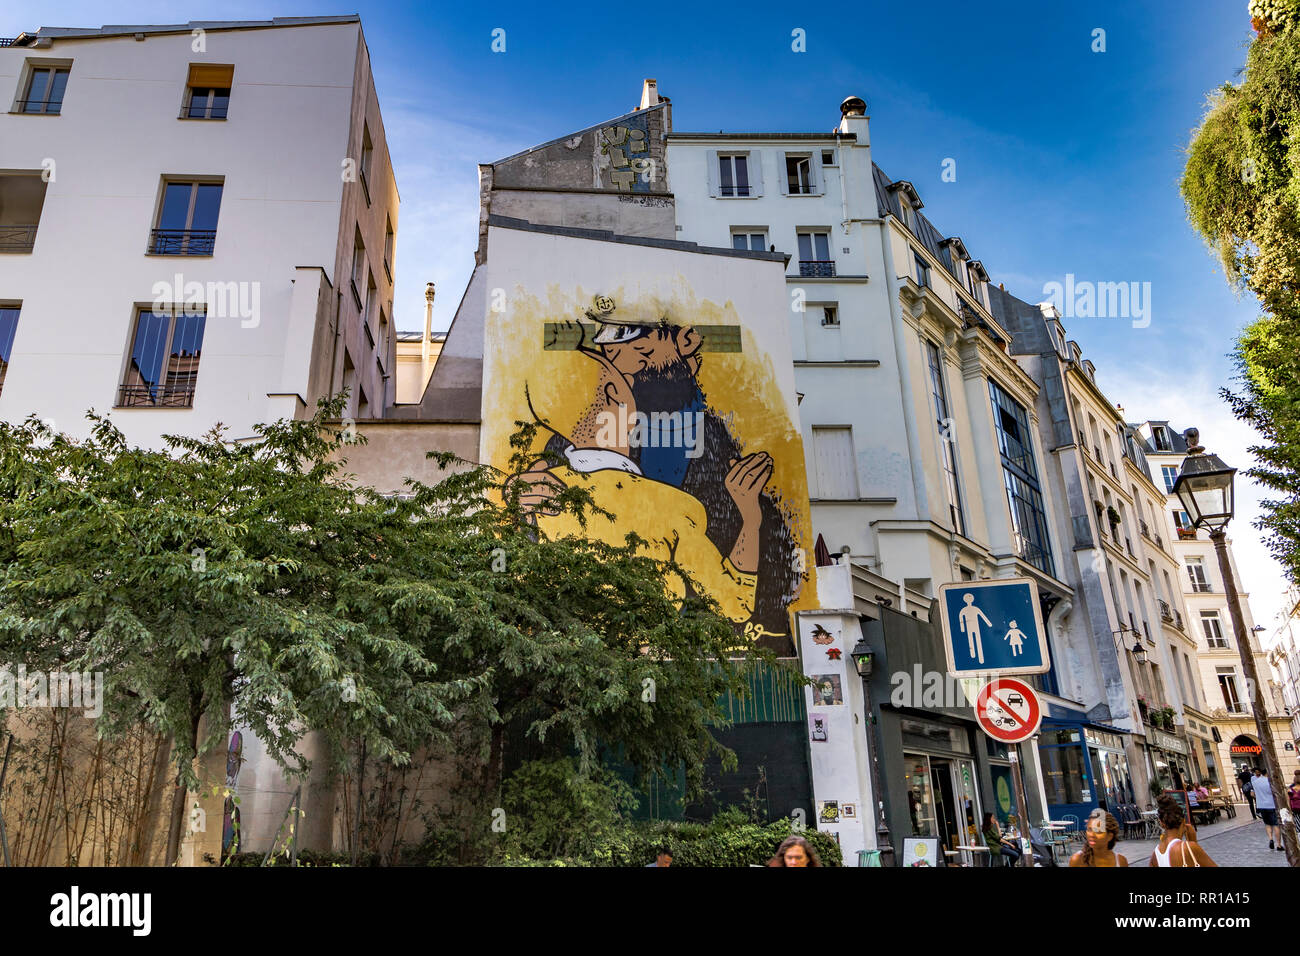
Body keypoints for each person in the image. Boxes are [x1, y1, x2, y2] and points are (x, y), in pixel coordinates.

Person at [1149, 793, 1217, 867]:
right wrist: (1193, 841)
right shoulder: (1189, 848)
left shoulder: (1155, 856)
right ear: (1183, 821)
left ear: (1161, 823)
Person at [1252, 768, 1284, 851]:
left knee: (1267, 824)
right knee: (1276, 824)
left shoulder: (1255, 782)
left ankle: (1270, 839)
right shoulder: (1270, 782)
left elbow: (1252, 794)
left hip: (1261, 805)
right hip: (1272, 805)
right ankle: (1279, 845)